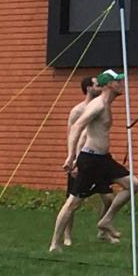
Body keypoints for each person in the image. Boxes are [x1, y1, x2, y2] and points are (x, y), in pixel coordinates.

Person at [55, 69, 138, 249]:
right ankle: (55, 244)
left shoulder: (106, 104)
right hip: (90, 160)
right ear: (109, 84)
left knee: (134, 185)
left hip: (104, 159)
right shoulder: (98, 106)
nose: (121, 85)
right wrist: (71, 156)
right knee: (73, 203)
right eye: (118, 82)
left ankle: (106, 221)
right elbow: (77, 127)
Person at [49, 74, 112, 251]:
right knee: (73, 201)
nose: (100, 87)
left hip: (97, 159)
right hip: (81, 160)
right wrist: (73, 159)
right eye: (97, 85)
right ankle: (66, 236)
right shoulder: (78, 110)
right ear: (89, 88)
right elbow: (72, 133)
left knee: (108, 198)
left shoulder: (101, 105)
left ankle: (102, 230)